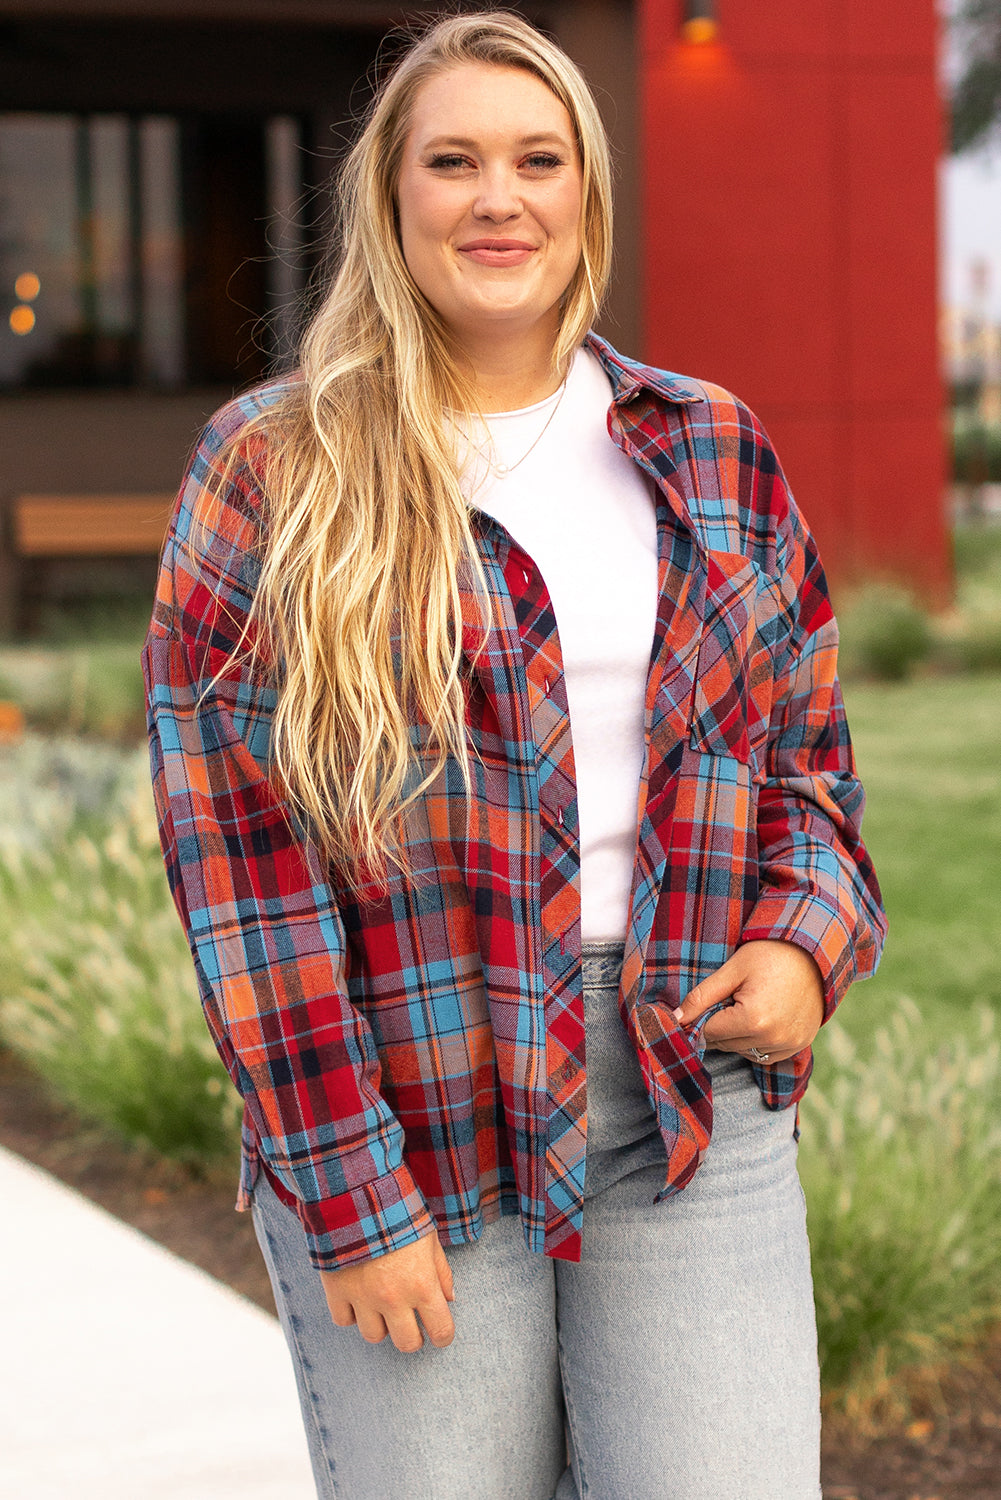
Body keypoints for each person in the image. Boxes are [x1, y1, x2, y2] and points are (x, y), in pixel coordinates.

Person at [143, 12, 886, 1499]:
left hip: (690, 1102)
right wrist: (349, 1194)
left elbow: (808, 765)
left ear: (585, 196)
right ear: (391, 199)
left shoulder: (708, 445)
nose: (500, 197)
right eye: (454, 161)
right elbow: (236, 866)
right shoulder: (273, 470)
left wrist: (807, 946)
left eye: (537, 159)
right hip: (419, 1109)